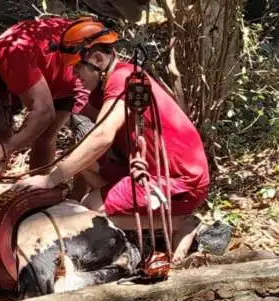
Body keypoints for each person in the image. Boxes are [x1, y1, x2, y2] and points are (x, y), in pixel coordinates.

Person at [20, 17, 210, 262]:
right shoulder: (108, 84)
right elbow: (85, 133)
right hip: (149, 170)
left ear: (97, 60)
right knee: (83, 163)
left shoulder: (122, 79)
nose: (75, 75)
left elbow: (102, 135)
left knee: (90, 209)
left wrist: (51, 178)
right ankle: (131, 211)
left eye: (77, 68)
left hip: (179, 180)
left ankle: (178, 223)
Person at [0, 17, 90, 171]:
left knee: (46, 135)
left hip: (78, 71)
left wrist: (8, 147)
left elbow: (44, 114)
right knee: (36, 134)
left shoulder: (12, 59)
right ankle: (33, 186)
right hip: (47, 76)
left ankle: (48, 189)